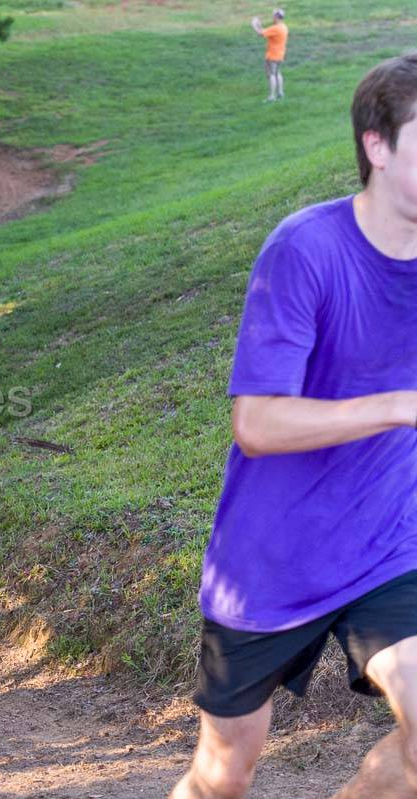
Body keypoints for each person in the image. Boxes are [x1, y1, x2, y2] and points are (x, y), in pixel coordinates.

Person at [171, 54, 417, 799]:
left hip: (388, 545)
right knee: (223, 774)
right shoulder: (306, 250)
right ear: (377, 145)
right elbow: (257, 422)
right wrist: (403, 404)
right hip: (271, 561)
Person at [252, 9, 288, 102]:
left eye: (273, 16)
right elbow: (265, 31)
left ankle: (272, 96)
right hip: (280, 54)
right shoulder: (283, 27)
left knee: (271, 74)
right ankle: (280, 93)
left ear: (276, 17)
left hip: (272, 55)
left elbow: (260, 33)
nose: (272, 17)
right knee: (278, 73)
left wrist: (254, 25)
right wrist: (259, 24)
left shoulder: (275, 28)